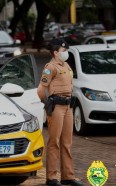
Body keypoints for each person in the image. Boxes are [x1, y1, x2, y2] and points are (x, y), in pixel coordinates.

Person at [37, 38, 83, 186]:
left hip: (68, 107)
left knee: (67, 143)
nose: (66, 53)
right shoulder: (50, 67)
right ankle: (51, 177)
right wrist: (47, 103)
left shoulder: (67, 65)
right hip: (56, 107)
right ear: (56, 52)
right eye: (64, 51)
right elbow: (40, 90)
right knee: (54, 142)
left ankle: (68, 176)